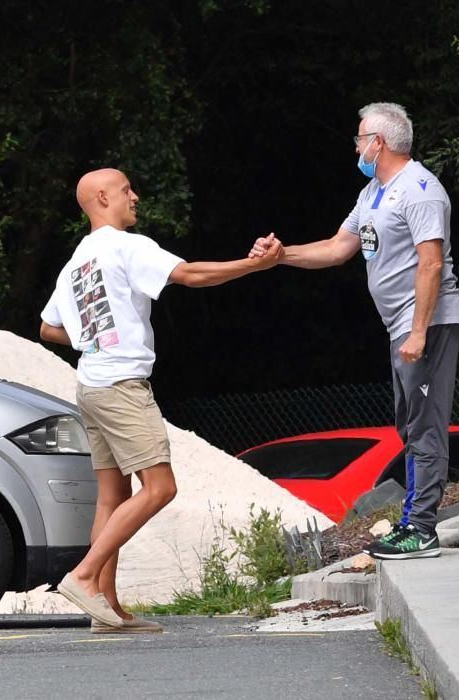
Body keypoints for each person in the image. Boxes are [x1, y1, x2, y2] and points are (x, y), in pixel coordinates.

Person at [40, 167, 284, 631]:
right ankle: (85, 577)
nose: (136, 196)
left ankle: (105, 610)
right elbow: (189, 275)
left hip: (91, 385)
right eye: (127, 189)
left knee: (112, 497)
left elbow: (48, 327)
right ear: (102, 197)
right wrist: (253, 266)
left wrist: (93, 339)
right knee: (160, 488)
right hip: (122, 387)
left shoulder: (78, 261)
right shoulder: (128, 246)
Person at [250, 102, 459, 560]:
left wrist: (419, 332)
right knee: (410, 426)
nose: (357, 147)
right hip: (401, 326)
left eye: (360, 138)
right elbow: (336, 248)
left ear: (379, 142)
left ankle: (421, 529)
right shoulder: (373, 192)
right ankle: (414, 522)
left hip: (426, 322)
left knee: (425, 427)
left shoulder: (421, 190)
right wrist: (280, 255)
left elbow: (431, 262)